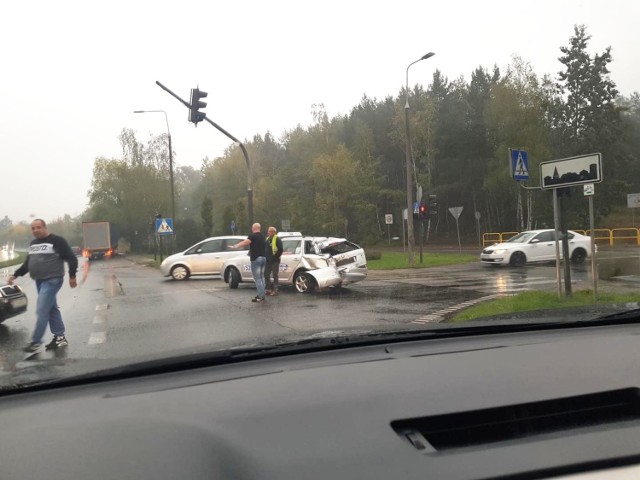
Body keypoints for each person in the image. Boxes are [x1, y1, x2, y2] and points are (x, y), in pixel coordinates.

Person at [8, 219, 78, 352]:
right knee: (51, 309)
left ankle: (36, 342)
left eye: (38, 227)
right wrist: (15, 275)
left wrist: (72, 276)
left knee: (42, 310)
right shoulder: (33, 243)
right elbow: (28, 264)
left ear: (45, 228)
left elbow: (71, 258)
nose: (35, 230)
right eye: (33, 228)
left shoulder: (57, 241)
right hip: (39, 281)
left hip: (53, 280)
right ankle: (60, 338)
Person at [229, 223, 267, 302]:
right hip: (263, 258)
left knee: (257, 278)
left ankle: (260, 296)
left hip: (256, 259)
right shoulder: (263, 237)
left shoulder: (252, 236)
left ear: (253, 228)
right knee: (262, 277)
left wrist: (235, 246)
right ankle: (262, 294)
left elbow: (245, 242)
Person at [264, 226, 283, 296]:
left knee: (275, 275)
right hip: (267, 260)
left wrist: (275, 257)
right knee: (266, 275)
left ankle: (276, 290)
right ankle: (268, 289)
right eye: (268, 231)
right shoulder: (267, 239)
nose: (268, 232)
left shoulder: (277, 239)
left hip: (275, 261)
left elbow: (280, 249)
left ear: (273, 232)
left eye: (269, 231)